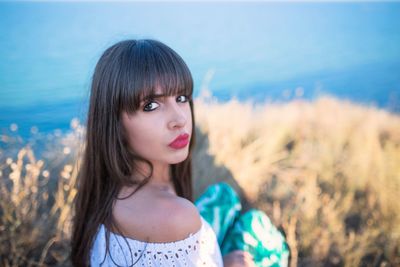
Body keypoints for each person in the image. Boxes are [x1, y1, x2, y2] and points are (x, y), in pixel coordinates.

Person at [70, 39, 289, 267]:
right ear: (114, 123)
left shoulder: (104, 188)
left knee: (224, 196)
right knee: (262, 235)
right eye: (151, 106)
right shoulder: (177, 216)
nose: (180, 119)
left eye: (181, 98)